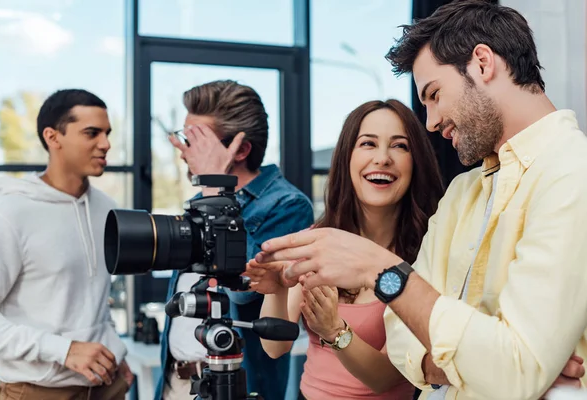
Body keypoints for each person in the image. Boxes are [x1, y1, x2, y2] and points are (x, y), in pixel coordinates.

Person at [253, 1, 587, 399]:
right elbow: (401, 345)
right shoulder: (464, 192)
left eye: (433, 94)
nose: (431, 122)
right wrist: (477, 362)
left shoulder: (572, 172)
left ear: (482, 63)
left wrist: (382, 270)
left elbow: (513, 370)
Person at [245, 99, 444, 399]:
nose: (382, 158)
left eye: (399, 146)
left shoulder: (430, 250)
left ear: (416, 161)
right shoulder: (318, 240)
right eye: (368, 143)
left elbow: (386, 378)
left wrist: (334, 330)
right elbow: (275, 348)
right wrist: (277, 290)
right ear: (347, 158)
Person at [155, 80, 314, 400]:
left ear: (240, 149)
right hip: (177, 383)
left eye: (194, 140)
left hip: (236, 388)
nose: (182, 149)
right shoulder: (203, 198)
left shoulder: (287, 205)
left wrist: (215, 189)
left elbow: (242, 289)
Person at [0, 89, 134, 399]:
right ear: (53, 137)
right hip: (37, 391)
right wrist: (64, 350)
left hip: (108, 386)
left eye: (107, 133)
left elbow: (93, 300)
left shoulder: (107, 208)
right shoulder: (11, 210)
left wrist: (114, 351)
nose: (106, 144)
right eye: (92, 133)